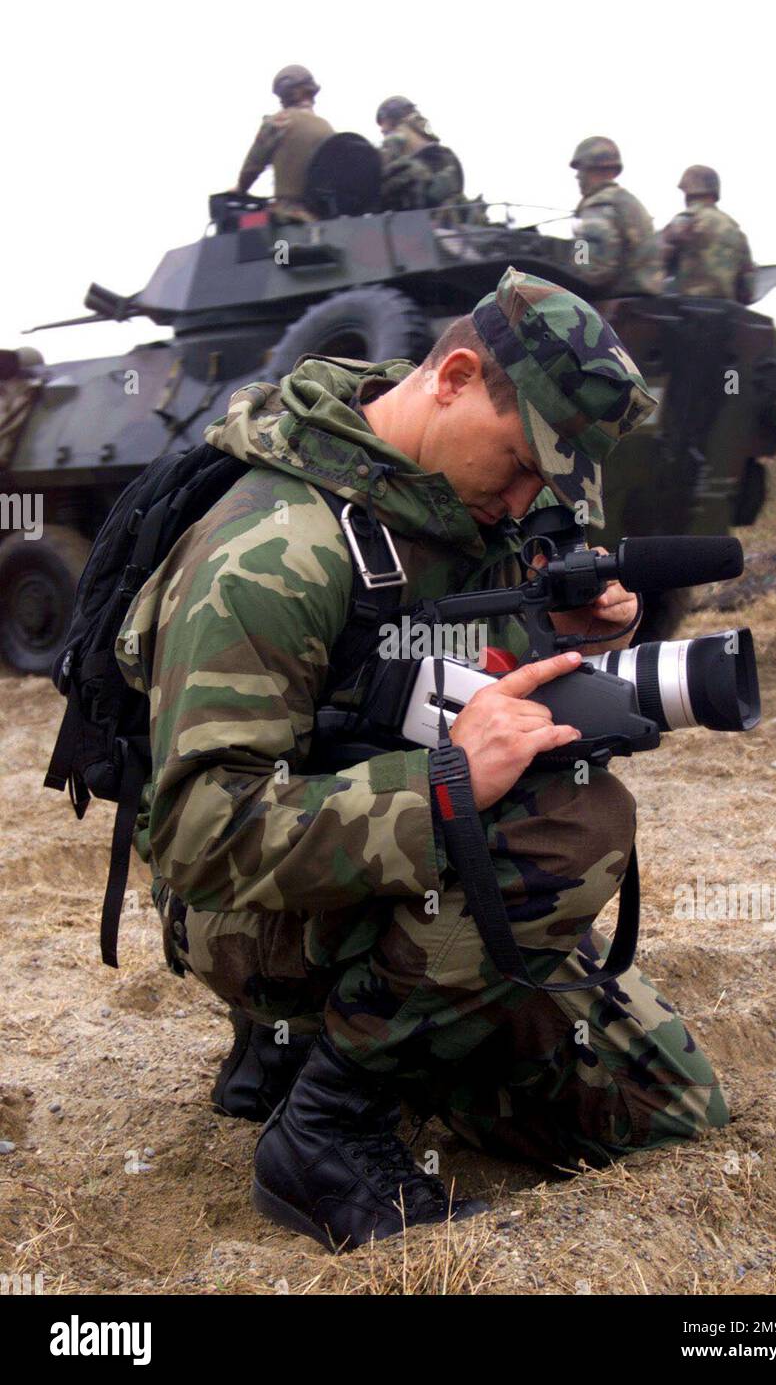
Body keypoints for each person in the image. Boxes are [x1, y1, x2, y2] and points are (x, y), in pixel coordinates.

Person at [115, 267, 729, 1253]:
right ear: (450, 377)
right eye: (521, 465)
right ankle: (328, 1126)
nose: (525, 500)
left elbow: (426, 687)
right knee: (573, 820)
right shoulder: (272, 554)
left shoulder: (449, 512)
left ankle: (323, 1039)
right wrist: (446, 786)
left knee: (666, 1105)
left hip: (378, 880)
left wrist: (551, 630)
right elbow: (196, 832)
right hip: (248, 912)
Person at [235, 65, 333, 224]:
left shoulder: (279, 122)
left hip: (287, 220)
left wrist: (240, 189)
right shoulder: (327, 128)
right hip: (325, 221)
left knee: (243, 226)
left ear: (285, 93)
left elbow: (252, 168)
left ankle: (282, 250)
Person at [570, 136, 663, 296]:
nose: (577, 176)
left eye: (579, 169)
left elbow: (591, 269)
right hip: (639, 304)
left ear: (590, 168)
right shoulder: (628, 202)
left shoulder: (600, 204)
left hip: (614, 308)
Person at [659, 166, 754, 302]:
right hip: (726, 315)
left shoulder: (688, 219)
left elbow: (655, 262)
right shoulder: (735, 230)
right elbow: (747, 290)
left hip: (686, 311)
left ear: (688, 191)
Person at [376, 95, 466, 214]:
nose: (389, 138)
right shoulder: (391, 167)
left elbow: (434, 196)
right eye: (386, 134)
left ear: (411, 123)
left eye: (392, 130)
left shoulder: (442, 157)